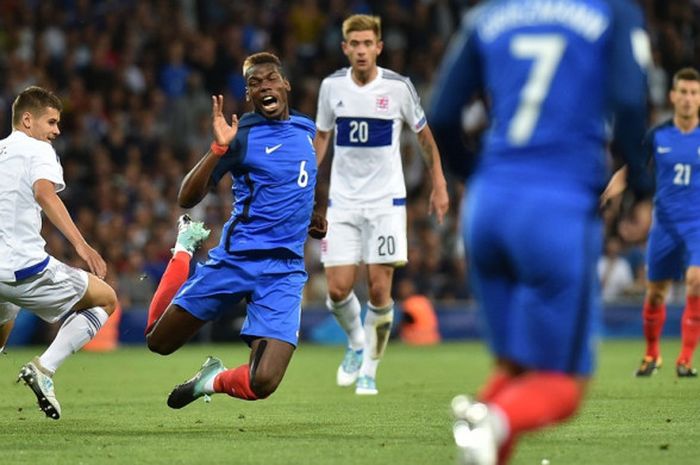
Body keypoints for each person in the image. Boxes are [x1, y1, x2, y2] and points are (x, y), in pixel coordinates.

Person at [429, 1, 652, 464]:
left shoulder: (487, 17)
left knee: (514, 366)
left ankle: (488, 424)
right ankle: (491, 420)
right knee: (564, 385)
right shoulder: (612, 13)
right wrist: (644, 189)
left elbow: (443, 112)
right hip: (557, 208)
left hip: (488, 208)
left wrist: (479, 173)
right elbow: (630, 103)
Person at [145, 52, 319, 408]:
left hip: (284, 271)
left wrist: (316, 213)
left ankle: (211, 380)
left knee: (264, 382)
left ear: (285, 84)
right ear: (249, 95)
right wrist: (218, 147)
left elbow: (301, 180)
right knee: (158, 342)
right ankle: (182, 251)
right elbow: (186, 196)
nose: (264, 86)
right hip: (236, 260)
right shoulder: (243, 136)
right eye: (255, 83)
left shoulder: (307, 130)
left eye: (270, 78)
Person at [313, 14, 449, 395]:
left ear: (378, 47)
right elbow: (322, 137)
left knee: (378, 289)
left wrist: (438, 181)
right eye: (353, 44)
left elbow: (424, 137)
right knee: (338, 289)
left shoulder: (398, 88)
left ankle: (370, 367)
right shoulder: (331, 87)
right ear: (345, 48)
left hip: (386, 203)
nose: (360, 50)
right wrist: (304, 180)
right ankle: (356, 341)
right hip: (342, 202)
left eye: (366, 44)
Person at [0, 86, 118, 420]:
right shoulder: (38, 150)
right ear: (27, 120)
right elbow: (44, 192)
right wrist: (83, 246)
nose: (56, 130)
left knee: (3, 319)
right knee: (105, 299)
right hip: (24, 269)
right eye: (51, 121)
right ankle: (44, 369)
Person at [603, 67, 700, 378]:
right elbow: (630, 171)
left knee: (696, 282)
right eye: (682, 92)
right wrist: (608, 193)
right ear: (672, 96)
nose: (687, 98)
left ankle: (685, 359)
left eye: (693, 93)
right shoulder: (657, 135)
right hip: (665, 225)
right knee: (655, 292)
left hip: (696, 224)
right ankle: (651, 355)